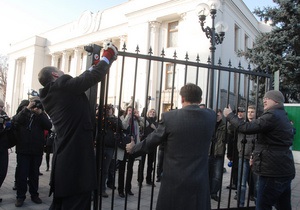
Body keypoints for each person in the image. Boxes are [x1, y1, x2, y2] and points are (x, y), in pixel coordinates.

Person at [38, 42, 118, 210]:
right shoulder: (61, 86)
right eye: (60, 71)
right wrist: (107, 55)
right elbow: (90, 78)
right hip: (76, 163)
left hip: (65, 162)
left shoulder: (53, 93)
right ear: (55, 74)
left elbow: (80, 80)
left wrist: (97, 64)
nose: (63, 73)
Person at [126, 83, 216, 210]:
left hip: (174, 180)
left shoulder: (170, 117)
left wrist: (133, 149)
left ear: (182, 99)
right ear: (201, 100)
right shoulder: (210, 116)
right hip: (199, 180)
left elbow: (151, 141)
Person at [223, 90, 295, 210]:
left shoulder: (272, 115)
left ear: (276, 101)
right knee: (283, 205)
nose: (264, 100)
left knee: (262, 206)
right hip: (284, 169)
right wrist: (254, 156)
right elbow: (267, 143)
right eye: (264, 98)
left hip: (272, 171)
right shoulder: (282, 116)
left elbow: (246, 128)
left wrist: (230, 115)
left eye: (268, 98)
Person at [13, 98, 52, 207]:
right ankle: (20, 196)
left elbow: (49, 126)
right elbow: (16, 119)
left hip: (36, 150)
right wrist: (28, 108)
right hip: (23, 149)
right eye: (33, 104)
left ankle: (34, 195)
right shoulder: (24, 112)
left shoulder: (40, 115)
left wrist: (41, 114)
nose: (35, 107)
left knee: (34, 174)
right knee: (22, 174)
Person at [118, 106, 146, 197]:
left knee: (130, 169)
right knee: (122, 169)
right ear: (126, 111)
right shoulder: (122, 118)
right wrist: (128, 116)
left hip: (133, 146)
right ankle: (120, 190)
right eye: (129, 110)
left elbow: (147, 124)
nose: (131, 112)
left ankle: (128, 188)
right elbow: (124, 125)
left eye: (132, 111)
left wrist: (138, 117)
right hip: (124, 146)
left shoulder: (136, 120)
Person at [235, 105, 258, 207]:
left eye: (252, 112)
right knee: (242, 183)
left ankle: (258, 205)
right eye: (248, 111)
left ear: (256, 113)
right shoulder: (242, 123)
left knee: (257, 184)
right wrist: (236, 118)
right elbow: (230, 128)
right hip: (243, 156)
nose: (250, 113)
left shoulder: (259, 124)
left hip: (256, 158)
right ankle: (240, 204)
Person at [209, 109, 226, 202]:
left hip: (219, 153)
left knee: (217, 175)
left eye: (218, 115)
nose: (216, 117)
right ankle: (207, 191)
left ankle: (214, 193)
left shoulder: (225, 126)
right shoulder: (208, 124)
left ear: (221, 116)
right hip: (208, 152)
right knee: (207, 173)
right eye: (215, 115)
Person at [137, 108, 157, 186]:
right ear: (148, 113)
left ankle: (149, 180)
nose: (152, 113)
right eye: (151, 112)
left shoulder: (156, 122)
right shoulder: (144, 120)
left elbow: (159, 132)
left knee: (150, 163)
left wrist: (154, 128)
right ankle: (140, 180)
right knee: (141, 163)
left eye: (154, 112)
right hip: (144, 143)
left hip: (153, 144)